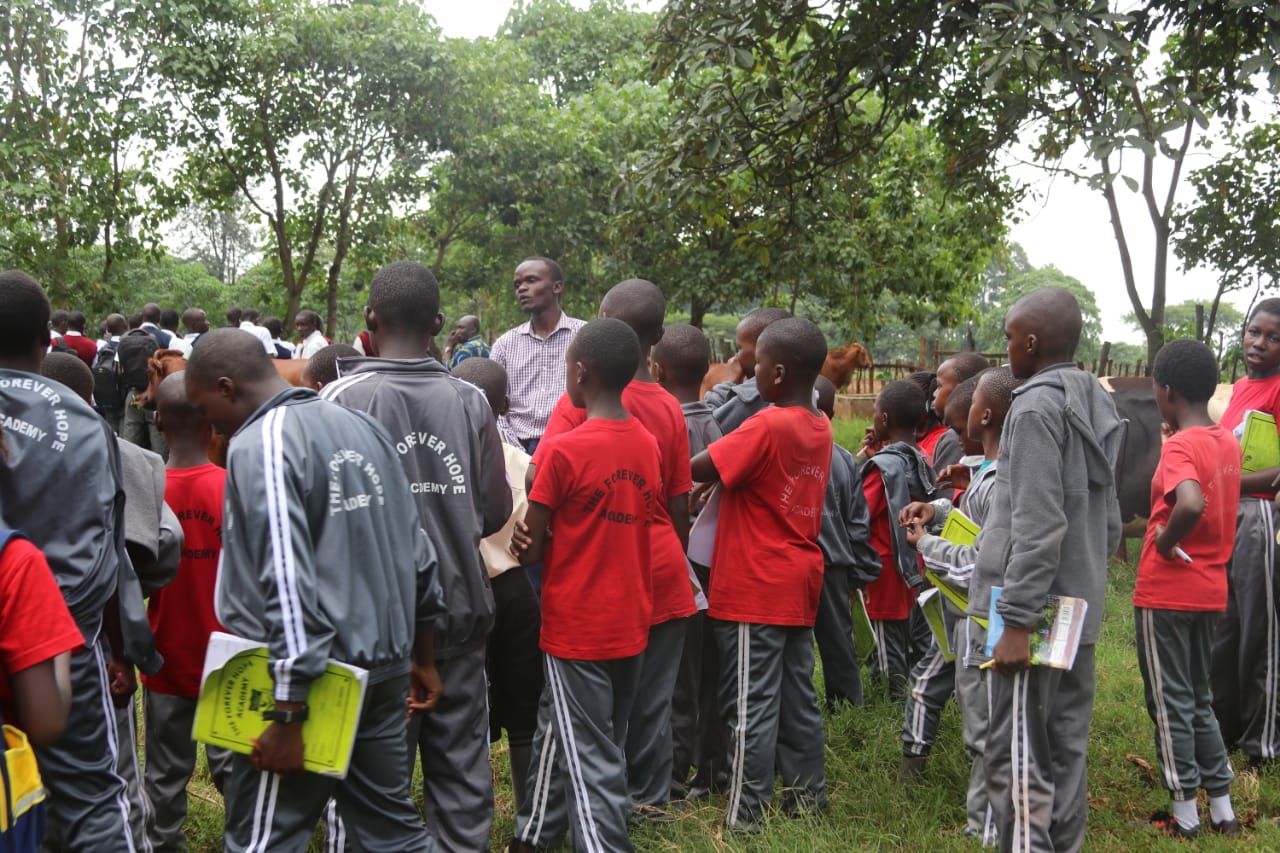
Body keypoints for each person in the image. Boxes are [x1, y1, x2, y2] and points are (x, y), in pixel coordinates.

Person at [183, 329, 446, 852]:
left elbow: (285, 575)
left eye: (204, 408)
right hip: (385, 669)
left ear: (227, 387)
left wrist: (287, 711)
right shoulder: (363, 427)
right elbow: (417, 551)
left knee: (263, 838)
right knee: (390, 833)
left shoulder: (261, 444)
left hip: (313, 683)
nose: (208, 425)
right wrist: (423, 655)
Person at [320, 261, 510, 853]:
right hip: (460, 613)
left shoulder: (337, 399)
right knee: (462, 776)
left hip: (370, 632)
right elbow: (493, 510)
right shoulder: (471, 401)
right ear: (438, 323)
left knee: (370, 789)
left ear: (368, 321)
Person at [534, 279, 696, 821]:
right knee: (652, 699)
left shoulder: (578, 402)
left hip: (601, 573)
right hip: (662, 568)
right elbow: (678, 504)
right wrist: (675, 562)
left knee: (591, 709)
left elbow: (542, 475)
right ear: (656, 336)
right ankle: (649, 799)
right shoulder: (668, 408)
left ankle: (595, 808)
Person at [973, 287, 1122, 852]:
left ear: (1031, 343)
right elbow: (1108, 522)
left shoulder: (1034, 407)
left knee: (1018, 755)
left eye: (1011, 338)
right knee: (1064, 746)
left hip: (1034, 618)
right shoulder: (1094, 399)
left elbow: (1037, 525)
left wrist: (1016, 621)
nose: (1008, 348)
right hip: (1078, 609)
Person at [508, 318, 659, 853]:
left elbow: (531, 545)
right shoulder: (646, 443)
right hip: (630, 618)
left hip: (577, 626)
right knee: (564, 726)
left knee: (591, 754)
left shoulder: (563, 451)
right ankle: (533, 836)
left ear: (580, 373)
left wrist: (530, 541)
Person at [0, 269, 138, 850]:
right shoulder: (84, 422)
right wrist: (119, 645)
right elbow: (110, 545)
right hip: (61, 642)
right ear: (44, 340)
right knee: (92, 799)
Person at [690, 316, 833, 831]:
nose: (751, 375)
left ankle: (745, 816)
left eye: (757, 367)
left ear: (776, 373)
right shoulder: (819, 425)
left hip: (756, 585)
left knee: (750, 703)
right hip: (797, 579)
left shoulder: (768, 424)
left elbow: (701, 465)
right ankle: (807, 800)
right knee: (798, 697)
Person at [900, 367, 1016, 843]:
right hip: (974, 618)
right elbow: (974, 525)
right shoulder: (988, 473)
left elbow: (979, 565)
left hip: (985, 619)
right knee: (982, 728)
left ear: (984, 415)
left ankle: (987, 831)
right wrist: (940, 510)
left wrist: (926, 544)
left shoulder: (1003, 482)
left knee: (986, 733)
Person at [1134, 340, 1242, 838]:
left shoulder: (1180, 447)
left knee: (1169, 701)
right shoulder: (1226, 443)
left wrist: (1164, 539)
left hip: (1167, 592)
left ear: (1167, 392)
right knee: (1199, 697)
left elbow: (1192, 503)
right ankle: (1222, 809)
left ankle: (1184, 816)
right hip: (1210, 590)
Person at [141, 371, 235, 851]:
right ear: (211, 423)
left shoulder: (145, 494)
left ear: (157, 421)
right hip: (230, 660)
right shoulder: (233, 487)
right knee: (237, 774)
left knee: (163, 775)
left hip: (165, 657)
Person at [452, 356, 544, 817]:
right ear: (506, 405)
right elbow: (536, 532)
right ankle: (529, 813)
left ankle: (469, 815)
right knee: (525, 705)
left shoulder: (441, 460)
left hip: (462, 593)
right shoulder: (519, 460)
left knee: (466, 710)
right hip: (514, 590)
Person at [651, 323, 727, 800]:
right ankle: (712, 767)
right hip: (713, 560)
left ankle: (674, 775)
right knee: (710, 668)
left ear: (657, 371)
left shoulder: (662, 424)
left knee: (678, 671)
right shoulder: (717, 424)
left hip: (679, 557)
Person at [1212, 297, 1280, 769]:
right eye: (1254, 331)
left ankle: (1264, 744)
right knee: (1225, 627)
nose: (1259, 343)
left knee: (1260, 630)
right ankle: (1227, 728)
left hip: (1261, 517)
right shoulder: (1239, 388)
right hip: (1228, 515)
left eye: (1273, 338)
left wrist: (1228, 481)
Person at [860, 380, 938, 700]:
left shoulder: (883, 467)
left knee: (883, 639)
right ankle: (904, 691)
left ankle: (891, 701)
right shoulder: (920, 457)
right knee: (903, 633)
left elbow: (860, 512)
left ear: (885, 419)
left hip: (882, 566)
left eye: (875, 412)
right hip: (912, 561)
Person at [812, 375, 881, 711]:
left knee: (795, 644)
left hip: (795, 561)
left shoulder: (784, 449)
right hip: (835, 566)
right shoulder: (843, 459)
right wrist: (859, 576)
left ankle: (800, 706)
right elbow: (857, 523)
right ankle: (847, 705)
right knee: (839, 641)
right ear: (833, 414)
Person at [490, 257, 586, 454]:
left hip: (571, 446)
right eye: (517, 285)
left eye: (531, 280)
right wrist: (517, 453)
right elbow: (494, 404)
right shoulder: (505, 345)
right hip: (517, 447)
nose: (522, 289)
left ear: (557, 287)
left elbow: (596, 396)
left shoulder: (585, 336)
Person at [702, 307, 791, 433]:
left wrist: (729, 383)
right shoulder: (803, 390)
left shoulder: (752, 395)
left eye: (739, 348)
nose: (735, 357)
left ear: (761, 350)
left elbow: (704, 428)